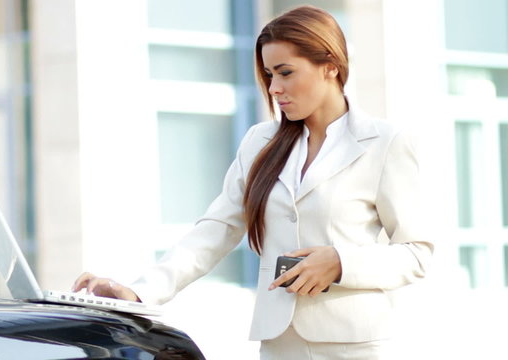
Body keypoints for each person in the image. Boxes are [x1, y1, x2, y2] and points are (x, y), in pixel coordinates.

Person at [73, 5, 433, 359]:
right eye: (269, 75)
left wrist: (341, 263)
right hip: (278, 344)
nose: (274, 88)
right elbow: (216, 229)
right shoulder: (260, 141)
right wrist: (139, 293)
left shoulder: (386, 143)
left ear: (330, 66)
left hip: (354, 346)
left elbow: (416, 252)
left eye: (286, 72)